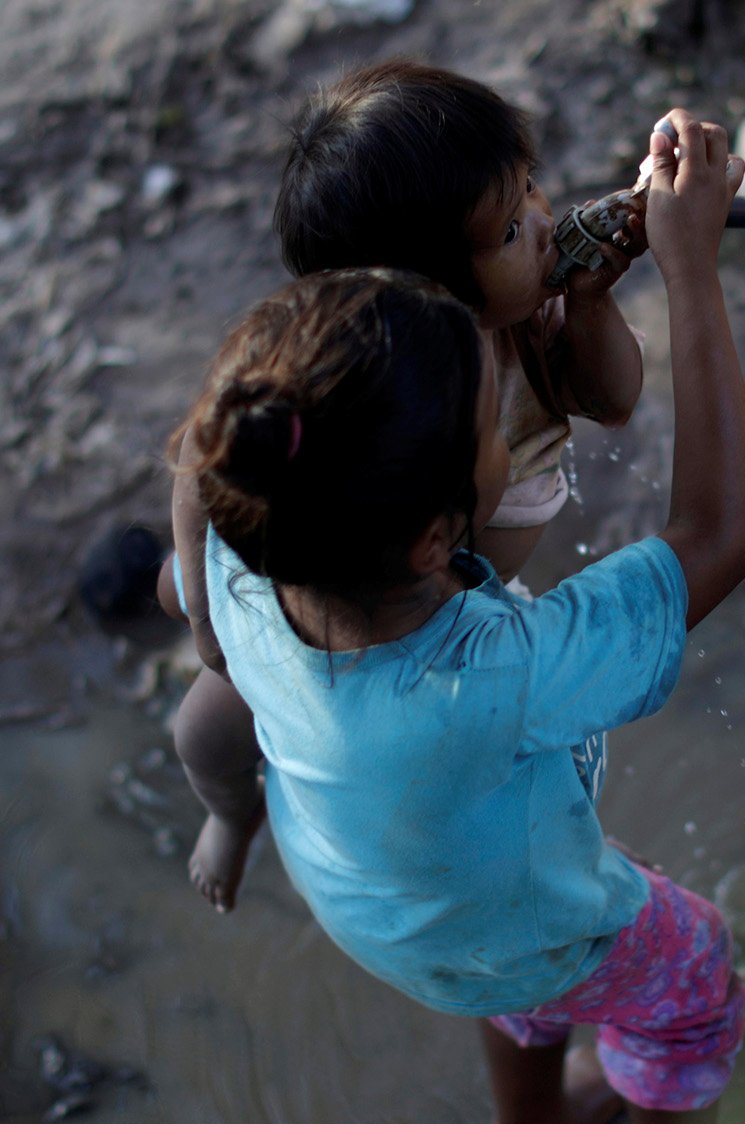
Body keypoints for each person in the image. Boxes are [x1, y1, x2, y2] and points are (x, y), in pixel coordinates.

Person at [167, 110, 745, 1124]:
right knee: (693, 970)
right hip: (502, 908)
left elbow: (197, 465)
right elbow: (716, 535)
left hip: (384, 898)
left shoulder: (252, 553)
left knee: (513, 948)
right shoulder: (495, 670)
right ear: (445, 533)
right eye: (494, 425)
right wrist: (694, 271)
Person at [163, 59, 711, 913]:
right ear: (421, 294)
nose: (539, 219)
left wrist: (595, 299)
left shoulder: (526, 319)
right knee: (203, 730)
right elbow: (202, 460)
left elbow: (615, 399)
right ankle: (233, 814)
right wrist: (206, 614)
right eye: (504, 232)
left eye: (530, 187)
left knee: (435, 782)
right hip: (337, 584)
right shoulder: (347, 390)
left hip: (445, 608)